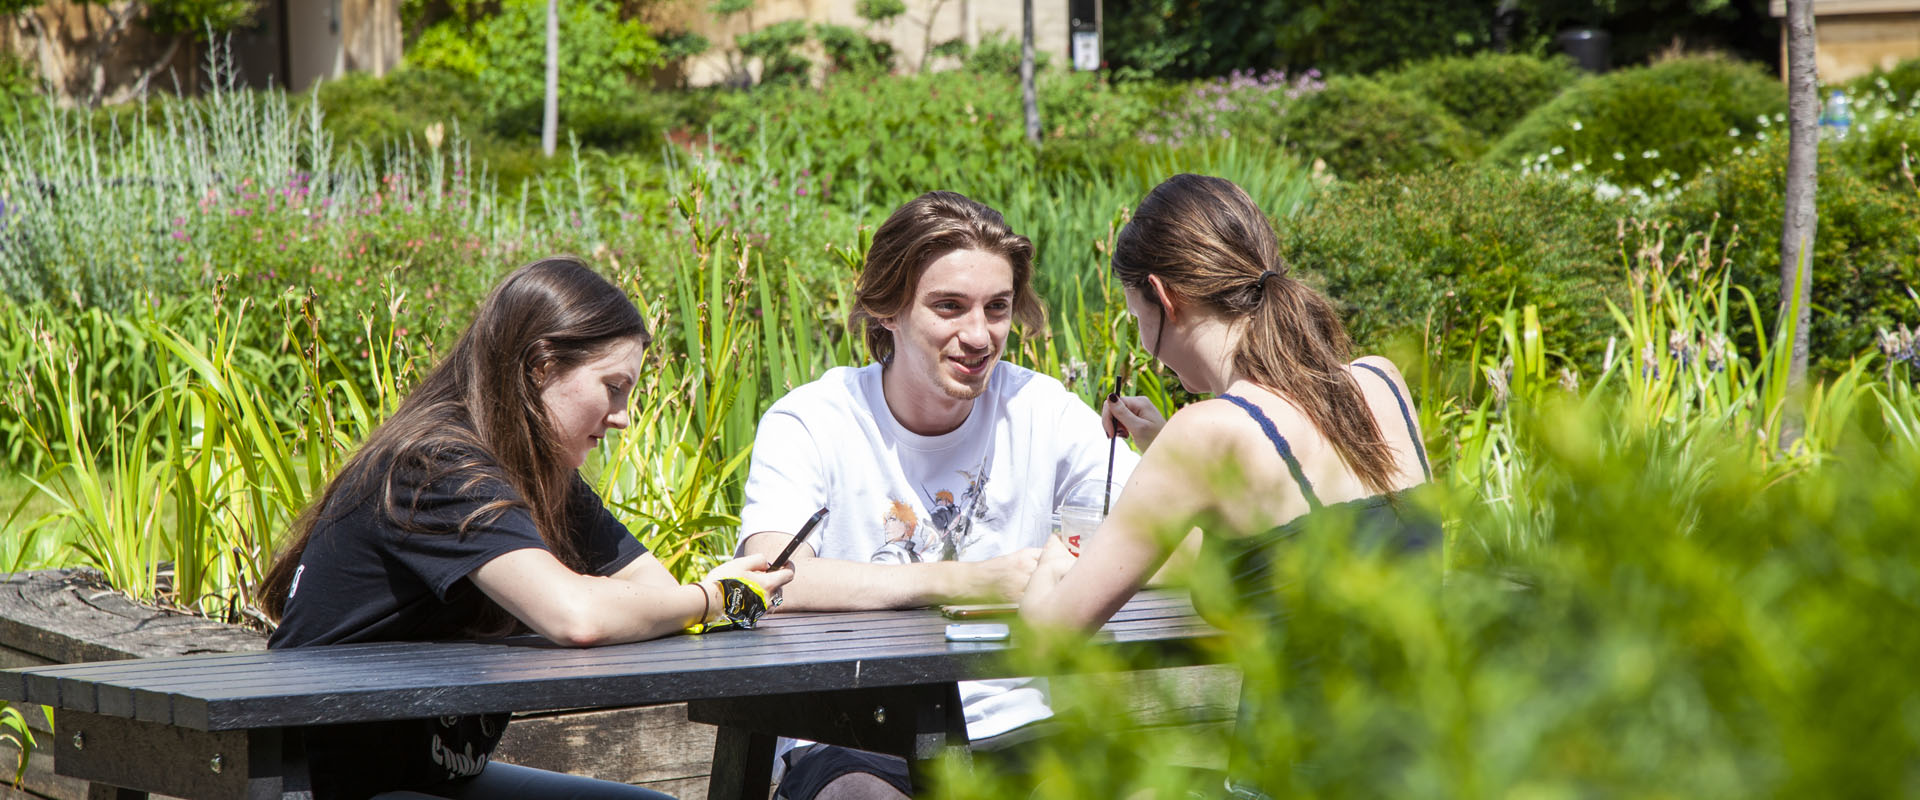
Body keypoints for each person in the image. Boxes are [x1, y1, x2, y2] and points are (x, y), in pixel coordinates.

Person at [259, 256, 793, 800]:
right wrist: (711, 598)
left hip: (433, 779)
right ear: (541, 364)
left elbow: (657, 594)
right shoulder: (435, 467)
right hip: (328, 786)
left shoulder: (545, 477)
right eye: (613, 387)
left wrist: (708, 595)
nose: (623, 416)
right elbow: (577, 616)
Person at [736, 191, 1140, 799]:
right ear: (887, 309)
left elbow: (1172, 534)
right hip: (854, 734)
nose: (978, 336)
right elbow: (771, 574)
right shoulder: (814, 419)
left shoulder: (1041, 408)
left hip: (1023, 727)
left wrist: (1083, 558)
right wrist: (966, 580)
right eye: (949, 307)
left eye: (997, 308)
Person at [1021, 171, 1437, 631]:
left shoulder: (1201, 436)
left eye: (1137, 317)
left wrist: (1050, 564)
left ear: (1162, 296)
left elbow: (1047, 636)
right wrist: (1162, 446)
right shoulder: (1382, 380)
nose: (1142, 342)